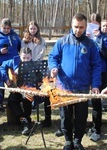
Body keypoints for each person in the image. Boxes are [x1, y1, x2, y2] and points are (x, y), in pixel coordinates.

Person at [48, 13, 101, 150]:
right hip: (64, 87)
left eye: (81, 27)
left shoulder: (91, 45)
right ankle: (68, 141)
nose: (78, 30)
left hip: (82, 88)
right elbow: (53, 57)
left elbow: (96, 65)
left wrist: (95, 85)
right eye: (76, 27)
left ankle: (78, 140)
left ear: (85, 26)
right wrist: (53, 68)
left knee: (81, 117)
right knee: (65, 116)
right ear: (72, 25)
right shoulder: (62, 42)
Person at [21, 21, 51, 127]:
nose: (32, 30)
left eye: (34, 28)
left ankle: (48, 119)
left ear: (37, 29)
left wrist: (35, 61)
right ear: (28, 29)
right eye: (31, 28)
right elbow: (23, 52)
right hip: (26, 63)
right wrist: (28, 60)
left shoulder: (41, 40)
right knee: (27, 94)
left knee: (46, 92)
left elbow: (42, 52)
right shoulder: (25, 40)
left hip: (37, 64)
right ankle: (27, 118)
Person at [0, 18, 21, 110]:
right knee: (1, 79)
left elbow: (19, 45)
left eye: (8, 28)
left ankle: (15, 100)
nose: (6, 30)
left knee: (14, 79)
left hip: (12, 60)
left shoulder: (14, 35)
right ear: (0, 27)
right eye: (4, 28)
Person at [87, 13, 107, 142]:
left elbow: (104, 53)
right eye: (92, 22)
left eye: (97, 23)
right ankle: (96, 127)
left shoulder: (103, 37)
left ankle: (98, 130)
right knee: (95, 102)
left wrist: (98, 37)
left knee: (100, 100)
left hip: (103, 73)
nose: (94, 25)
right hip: (92, 73)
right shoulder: (90, 36)